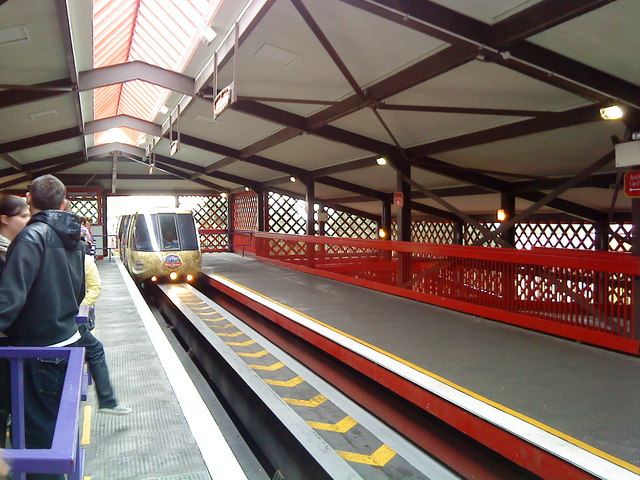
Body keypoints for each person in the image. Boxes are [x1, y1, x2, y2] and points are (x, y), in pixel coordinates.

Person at [0, 175, 85, 480]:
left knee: (38, 442)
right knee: (54, 433)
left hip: (37, 351)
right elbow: (80, 294)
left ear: (28, 198)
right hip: (67, 343)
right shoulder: (75, 236)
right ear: (64, 202)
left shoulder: (31, 237)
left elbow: (8, 301)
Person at [77, 251, 131, 415]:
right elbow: (95, 288)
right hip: (71, 322)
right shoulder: (84, 259)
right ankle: (107, 401)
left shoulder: (33, 251)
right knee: (95, 349)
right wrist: (81, 307)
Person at [0, 195, 31, 447]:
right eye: (23, 216)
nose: (28, 221)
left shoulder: (10, 250)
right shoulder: (4, 255)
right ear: (4, 219)